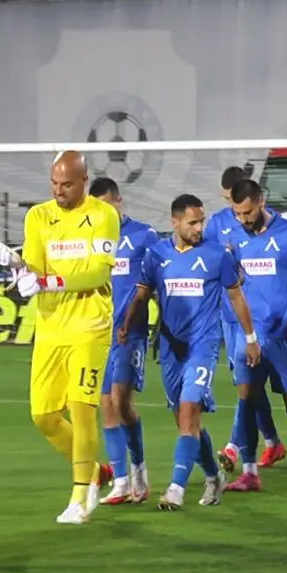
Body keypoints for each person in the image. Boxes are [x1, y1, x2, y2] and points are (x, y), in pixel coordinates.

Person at [119, 194, 260, 509]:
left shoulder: (218, 255)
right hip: (170, 347)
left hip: (203, 345)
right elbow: (141, 295)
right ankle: (213, 476)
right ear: (175, 222)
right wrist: (127, 326)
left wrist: (250, 337)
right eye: (193, 222)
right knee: (187, 423)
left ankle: (175, 489)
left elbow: (236, 297)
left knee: (188, 412)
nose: (199, 228)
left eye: (201, 221)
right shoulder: (156, 255)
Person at [12, 151, 122, 525]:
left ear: (84, 182)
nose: (59, 191)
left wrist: (48, 281)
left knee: (81, 406)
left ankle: (80, 495)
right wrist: (23, 275)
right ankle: (94, 470)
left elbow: (97, 275)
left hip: (91, 326)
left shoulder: (104, 216)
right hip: (50, 328)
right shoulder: (37, 216)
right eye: (54, 184)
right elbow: (34, 267)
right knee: (43, 416)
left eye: (67, 185)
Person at [206, 178, 287, 492]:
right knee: (247, 397)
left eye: (247, 212)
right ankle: (249, 471)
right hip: (249, 334)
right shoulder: (232, 236)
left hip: (285, 334)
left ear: (261, 202)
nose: (242, 219)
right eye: (237, 214)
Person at [83, 177, 160, 506]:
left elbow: (158, 281)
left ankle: (139, 468)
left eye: (106, 205)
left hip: (130, 333)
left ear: (119, 201)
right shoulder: (88, 238)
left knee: (121, 400)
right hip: (97, 334)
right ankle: (120, 481)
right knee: (106, 405)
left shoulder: (144, 236)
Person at [207, 166, 285, 468]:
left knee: (254, 385)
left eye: (237, 200)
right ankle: (271, 441)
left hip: (265, 321)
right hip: (231, 318)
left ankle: (234, 445)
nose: (234, 208)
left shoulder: (268, 222)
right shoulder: (217, 224)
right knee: (248, 385)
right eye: (229, 200)